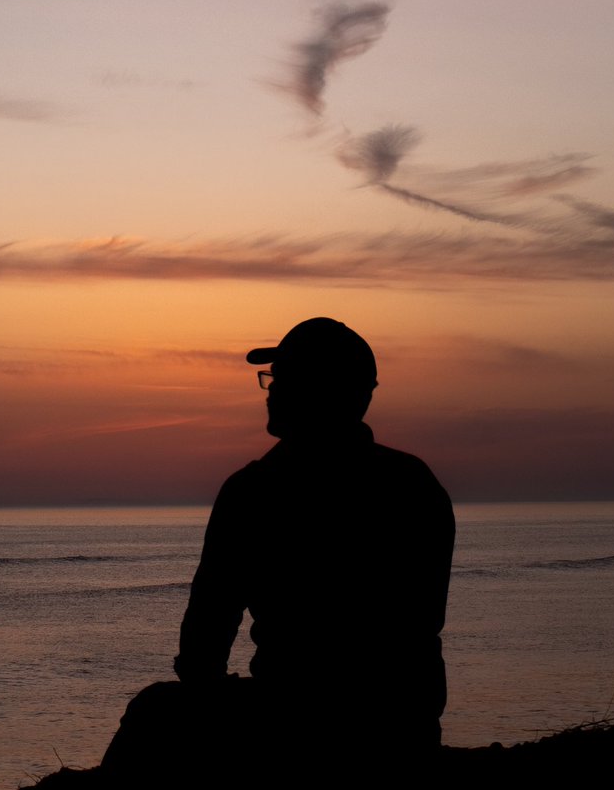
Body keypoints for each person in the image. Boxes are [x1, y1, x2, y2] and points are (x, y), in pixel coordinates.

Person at [102, 317, 455, 780]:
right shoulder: (414, 484)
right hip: (404, 725)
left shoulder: (255, 491)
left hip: (294, 722)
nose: (270, 391)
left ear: (323, 389)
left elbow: (207, 631)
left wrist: (210, 691)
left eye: (283, 379)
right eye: (272, 379)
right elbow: (419, 621)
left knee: (153, 710)